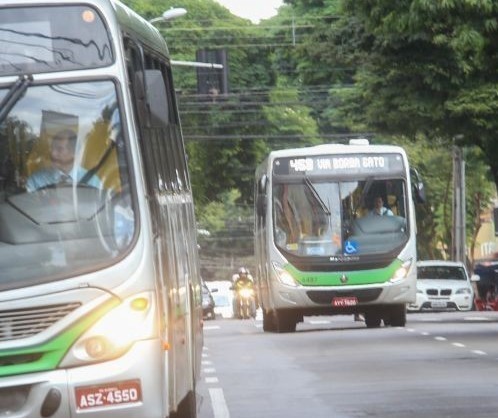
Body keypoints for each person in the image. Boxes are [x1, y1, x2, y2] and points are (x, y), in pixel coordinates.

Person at [26, 129, 101, 192]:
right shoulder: (36, 181)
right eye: (52, 148)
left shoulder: (93, 182)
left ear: (74, 152)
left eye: (59, 149)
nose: (53, 153)